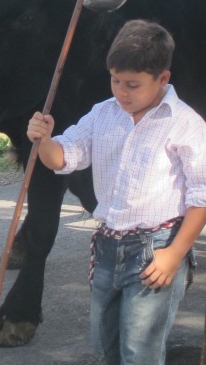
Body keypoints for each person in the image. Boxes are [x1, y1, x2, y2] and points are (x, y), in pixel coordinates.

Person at [26, 20, 206, 365]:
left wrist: (174, 254)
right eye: (115, 81)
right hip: (108, 247)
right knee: (107, 346)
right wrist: (44, 140)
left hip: (157, 249)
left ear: (163, 79)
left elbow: (201, 196)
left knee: (140, 353)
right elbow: (64, 156)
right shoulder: (103, 114)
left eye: (133, 85)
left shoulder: (185, 124)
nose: (122, 92)